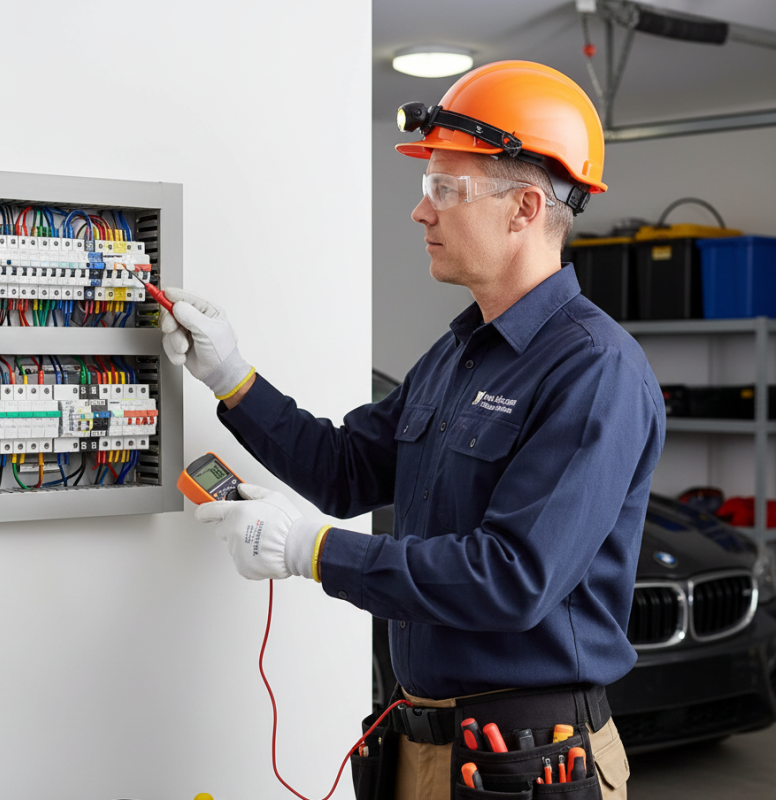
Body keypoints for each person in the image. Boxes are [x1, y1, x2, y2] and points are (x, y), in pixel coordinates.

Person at [161, 61, 665, 800]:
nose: (420, 212)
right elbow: (343, 469)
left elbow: (511, 579)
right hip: (420, 744)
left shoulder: (595, 372)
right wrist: (231, 376)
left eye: (443, 190)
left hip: (526, 759)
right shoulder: (460, 351)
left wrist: (313, 551)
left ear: (524, 208)